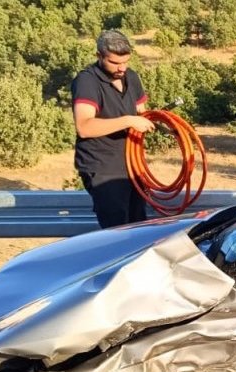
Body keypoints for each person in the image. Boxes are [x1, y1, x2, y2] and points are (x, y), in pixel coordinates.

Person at [71, 30, 155, 229]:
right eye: (115, 63)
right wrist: (128, 121)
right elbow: (84, 127)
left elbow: (143, 113)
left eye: (125, 62)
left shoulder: (131, 77)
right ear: (99, 56)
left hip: (132, 165)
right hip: (103, 167)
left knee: (139, 225)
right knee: (117, 230)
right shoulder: (87, 81)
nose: (121, 68)